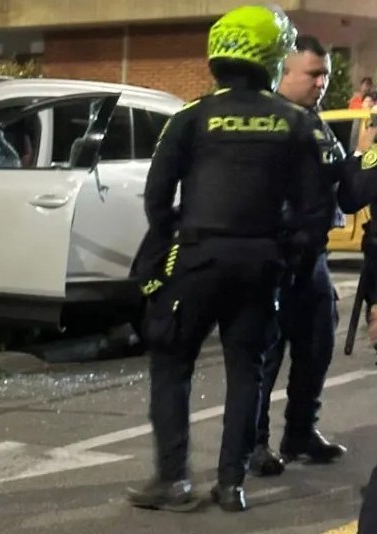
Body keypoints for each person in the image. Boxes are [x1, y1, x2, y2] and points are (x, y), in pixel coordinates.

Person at [127, 4, 333, 513]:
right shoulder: (295, 123)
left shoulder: (191, 117)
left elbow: (156, 197)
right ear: (272, 58)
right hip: (261, 264)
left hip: (198, 259)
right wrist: (286, 259)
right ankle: (231, 483)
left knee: (172, 363)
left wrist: (173, 242)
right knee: (247, 371)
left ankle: (173, 481)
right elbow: (314, 212)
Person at [249, 35, 348, 478]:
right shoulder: (265, 122)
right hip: (276, 254)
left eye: (325, 74)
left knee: (317, 343)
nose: (321, 83)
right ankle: (253, 442)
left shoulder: (314, 121)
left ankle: (301, 432)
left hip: (313, 255)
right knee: (266, 354)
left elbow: (338, 178)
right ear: (284, 73)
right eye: (313, 74)